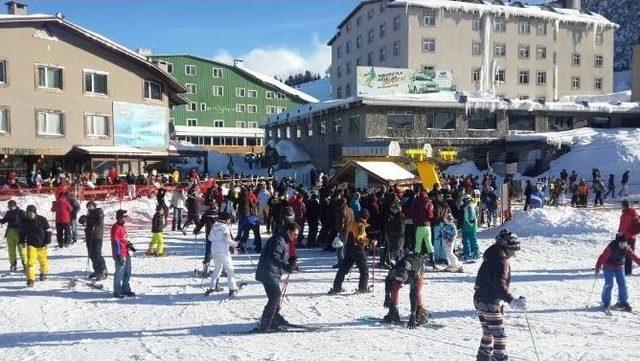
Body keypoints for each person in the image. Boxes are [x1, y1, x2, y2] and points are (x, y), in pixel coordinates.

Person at [473, 229, 527, 361]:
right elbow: (499, 284)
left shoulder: (492, 255)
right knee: (499, 335)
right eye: (513, 249)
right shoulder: (501, 261)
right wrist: (511, 300)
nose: (514, 254)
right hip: (489, 301)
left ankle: (483, 357)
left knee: (488, 332)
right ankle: (498, 358)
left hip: (479, 298)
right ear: (506, 247)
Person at [255, 222, 299, 331]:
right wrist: (286, 266)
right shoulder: (279, 239)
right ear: (289, 232)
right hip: (268, 271)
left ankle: (273, 316)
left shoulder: (283, 239)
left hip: (270, 271)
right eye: (295, 234)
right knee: (275, 295)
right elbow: (273, 256)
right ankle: (267, 320)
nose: (296, 237)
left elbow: (280, 255)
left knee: (275, 296)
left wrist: (291, 260)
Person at [328, 209, 371, 294]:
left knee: (343, 268)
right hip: (358, 249)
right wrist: (369, 242)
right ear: (366, 217)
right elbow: (360, 239)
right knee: (364, 270)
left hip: (349, 248)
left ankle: (337, 287)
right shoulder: (361, 225)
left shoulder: (352, 223)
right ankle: (363, 288)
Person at [382, 253, 430, 328]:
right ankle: (393, 312)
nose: (400, 283)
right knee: (394, 287)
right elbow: (388, 280)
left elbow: (414, 294)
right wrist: (387, 296)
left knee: (417, 290)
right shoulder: (394, 270)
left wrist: (412, 316)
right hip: (404, 267)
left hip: (418, 267)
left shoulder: (414, 274)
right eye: (398, 280)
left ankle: (419, 313)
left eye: (401, 281)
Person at [595, 233, 640, 312]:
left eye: (624, 243)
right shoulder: (611, 247)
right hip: (608, 267)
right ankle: (606, 302)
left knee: (623, 284)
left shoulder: (627, 248)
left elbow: (634, 257)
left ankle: (623, 301)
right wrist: (597, 269)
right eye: (621, 243)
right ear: (617, 243)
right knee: (609, 284)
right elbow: (602, 257)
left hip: (620, 267)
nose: (623, 245)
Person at [205, 212, 240, 297]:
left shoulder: (214, 225)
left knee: (218, 268)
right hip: (223, 250)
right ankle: (232, 288)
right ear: (227, 219)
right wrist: (237, 244)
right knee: (230, 269)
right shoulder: (225, 227)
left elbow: (209, 238)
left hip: (214, 249)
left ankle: (213, 286)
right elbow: (227, 240)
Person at [19, 205, 52, 287]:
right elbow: (22, 233)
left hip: (42, 245)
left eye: (31, 213)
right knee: (31, 262)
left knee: (43, 260)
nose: (29, 215)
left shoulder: (42, 219)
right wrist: (22, 241)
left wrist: (47, 242)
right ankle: (30, 279)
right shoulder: (25, 221)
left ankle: (43, 273)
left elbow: (48, 231)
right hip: (31, 244)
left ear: (34, 212)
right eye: (28, 213)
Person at [78, 201, 107, 280]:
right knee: (91, 254)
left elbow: (99, 220)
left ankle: (103, 271)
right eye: (88, 206)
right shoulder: (89, 214)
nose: (89, 208)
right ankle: (97, 271)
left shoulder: (98, 212)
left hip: (97, 236)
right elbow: (83, 221)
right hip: (89, 237)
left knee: (97, 254)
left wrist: (89, 219)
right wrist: (83, 219)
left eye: (91, 206)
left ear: (94, 206)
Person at [111, 209, 135, 299]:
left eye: (126, 217)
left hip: (126, 252)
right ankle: (117, 291)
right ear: (119, 217)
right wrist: (118, 255)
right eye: (124, 217)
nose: (125, 219)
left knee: (127, 272)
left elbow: (123, 239)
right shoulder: (116, 227)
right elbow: (115, 242)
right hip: (120, 254)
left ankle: (126, 289)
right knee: (119, 273)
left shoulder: (122, 227)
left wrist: (128, 243)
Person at [194, 202, 219, 276]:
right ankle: (222, 268)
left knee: (209, 251)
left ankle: (206, 268)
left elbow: (201, 224)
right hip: (218, 236)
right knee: (219, 251)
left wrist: (196, 230)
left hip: (209, 235)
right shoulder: (219, 214)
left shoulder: (206, 214)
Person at [1, 200, 26, 272]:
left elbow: (26, 221)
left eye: (12, 206)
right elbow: (4, 220)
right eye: (9, 206)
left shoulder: (21, 212)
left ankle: (25, 263)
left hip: (19, 232)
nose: (10, 208)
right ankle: (13, 264)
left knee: (21, 249)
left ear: (15, 205)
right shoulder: (8, 213)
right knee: (11, 250)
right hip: (10, 232)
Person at [618, 200, 640, 275]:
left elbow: (623, 227)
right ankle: (627, 268)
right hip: (633, 236)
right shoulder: (634, 212)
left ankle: (627, 270)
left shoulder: (626, 214)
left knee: (625, 253)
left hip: (625, 236)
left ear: (623, 206)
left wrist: (619, 234)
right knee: (631, 253)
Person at [461, 195, 480, 260]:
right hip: (466, 226)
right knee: (465, 240)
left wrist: (471, 224)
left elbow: (471, 217)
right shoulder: (467, 206)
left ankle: (475, 253)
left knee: (472, 240)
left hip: (469, 227)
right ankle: (467, 252)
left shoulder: (469, 206)